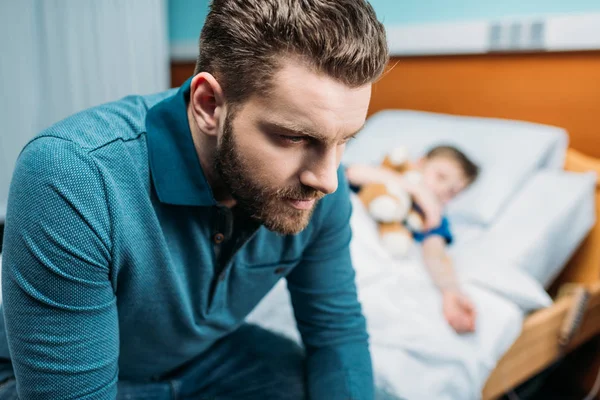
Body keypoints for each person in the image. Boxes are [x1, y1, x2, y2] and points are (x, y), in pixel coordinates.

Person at [0, 1, 389, 399]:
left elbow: (335, 333)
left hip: (211, 362)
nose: (326, 180)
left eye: (344, 140)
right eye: (295, 137)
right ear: (208, 105)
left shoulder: (319, 180)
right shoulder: (71, 176)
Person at [346, 145, 480, 334]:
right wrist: (415, 190)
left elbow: (435, 253)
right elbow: (350, 173)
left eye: (452, 193)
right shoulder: (386, 175)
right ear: (420, 163)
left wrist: (451, 292)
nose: (442, 190)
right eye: (440, 177)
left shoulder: (432, 215)